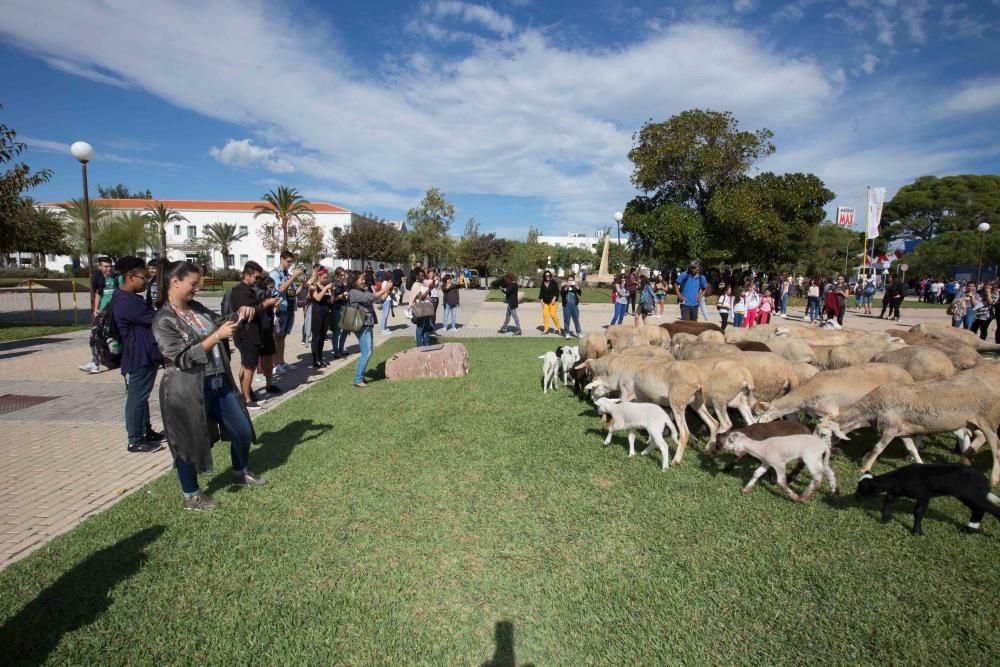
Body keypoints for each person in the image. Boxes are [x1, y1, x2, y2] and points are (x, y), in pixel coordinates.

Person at [152, 260, 263, 511]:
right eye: (193, 284)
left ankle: (240, 470)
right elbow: (180, 358)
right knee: (187, 444)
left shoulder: (197, 308)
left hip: (218, 383)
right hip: (186, 390)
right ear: (175, 282)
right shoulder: (163, 320)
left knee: (243, 431)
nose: (197, 289)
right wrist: (215, 337)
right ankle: (191, 495)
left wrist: (241, 314)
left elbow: (222, 321)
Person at [110, 256, 165, 454]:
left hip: (145, 354)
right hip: (138, 356)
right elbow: (154, 318)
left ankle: (145, 431)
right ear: (131, 276)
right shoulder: (126, 301)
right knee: (136, 397)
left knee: (142, 396)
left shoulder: (131, 298)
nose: (146, 281)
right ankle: (135, 438)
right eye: (143, 277)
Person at [230, 261, 280, 409]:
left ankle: (246, 394)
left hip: (254, 331)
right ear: (246, 275)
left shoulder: (250, 290)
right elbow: (247, 313)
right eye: (256, 277)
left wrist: (267, 303)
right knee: (249, 366)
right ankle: (246, 399)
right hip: (246, 333)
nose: (259, 280)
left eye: (260, 278)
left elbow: (255, 307)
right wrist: (266, 304)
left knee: (248, 364)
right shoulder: (240, 291)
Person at [348, 272, 392, 388]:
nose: (363, 281)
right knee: (366, 353)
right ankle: (358, 380)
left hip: (367, 324)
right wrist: (383, 289)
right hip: (361, 325)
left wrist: (388, 291)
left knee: (368, 351)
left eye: (363, 279)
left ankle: (360, 377)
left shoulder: (363, 291)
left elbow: (379, 300)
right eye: (361, 279)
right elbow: (371, 297)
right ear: (354, 281)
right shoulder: (353, 292)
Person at [268, 251, 306, 374]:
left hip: (289, 309)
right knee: (277, 338)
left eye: (291, 262)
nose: (290, 264)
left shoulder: (288, 275)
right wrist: (293, 277)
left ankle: (282, 362)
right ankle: (275, 365)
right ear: (281, 259)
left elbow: (294, 293)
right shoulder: (274, 274)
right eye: (288, 261)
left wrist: (303, 284)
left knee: (282, 338)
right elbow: (279, 289)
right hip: (281, 310)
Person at [79, 256, 118, 374]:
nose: (109, 268)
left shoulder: (117, 278)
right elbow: (98, 294)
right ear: (99, 266)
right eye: (106, 266)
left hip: (115, 312)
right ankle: (95, 363)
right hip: (103, 312)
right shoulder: (98, 278)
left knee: (113, 337)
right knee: (94, 335)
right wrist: (96, 309)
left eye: (110, 266)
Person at [309, 268, 335, 367]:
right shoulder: (313, 286)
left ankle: (320, 358)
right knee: (316, 337)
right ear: (318, 276)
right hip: (317, 313)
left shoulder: (326, 286)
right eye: (324, 277)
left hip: (326, 313)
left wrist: (332, 292)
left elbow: (331, 301)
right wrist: (325, 289)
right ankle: (315, 360)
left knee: (323, 337)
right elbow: (318, 298)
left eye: (327, 278)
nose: (325, 279)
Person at [410, 268, 434, 345]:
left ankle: (426, 342)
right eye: (421, 276)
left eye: (423, 276)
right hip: (419, 309)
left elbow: (425, 296)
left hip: (426, 308)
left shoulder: (423, 284)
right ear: (417, 277)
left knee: (427, 326)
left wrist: (430, 299)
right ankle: (419, 344)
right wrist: (429, 290)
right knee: (420, 327)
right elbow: (420, 298)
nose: (423, 277)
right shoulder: (415, 285)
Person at [538, 270, 561, 335]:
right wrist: (541, 302)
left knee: (553, 315)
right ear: (544, 276)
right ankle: (546, 329)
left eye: (548, 275)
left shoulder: (553, 282)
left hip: (553, 302)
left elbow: (557, 292)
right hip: (545, 302)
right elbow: (541, 293)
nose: (547, 276)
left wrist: (554, 299)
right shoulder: (543, 283)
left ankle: (559, 328)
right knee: (545, 315)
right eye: (546, 275)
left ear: (550, 276)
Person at [561, 272, 583, 338]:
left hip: (574, 306)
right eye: (569, 280)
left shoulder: (574, 287)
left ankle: (579, 332)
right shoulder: (564, 287)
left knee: (576, 319)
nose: (570, 281)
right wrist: (567, 286)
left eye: (571, 280)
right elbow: (562, 294)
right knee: (567, 320)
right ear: (567, 281)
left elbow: (580, 293)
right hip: (566, 306)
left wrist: (577, 286)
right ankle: (567, 333)